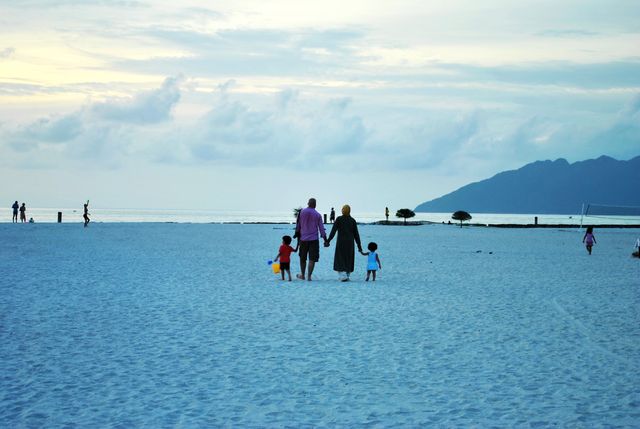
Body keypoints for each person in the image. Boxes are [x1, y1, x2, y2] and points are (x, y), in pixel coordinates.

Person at [326, 204, 363, 282]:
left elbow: (333, 231)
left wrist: (328, 240)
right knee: (348, 258)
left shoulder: (339, 219)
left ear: (342, 210)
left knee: (340, 257)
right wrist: (359, 246)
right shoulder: (352, 220)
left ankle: (343, 275)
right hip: (350, 243)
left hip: (341, 242)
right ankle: (347, 274)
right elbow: (356, 235)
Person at [295, 198, 327, 281]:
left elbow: (298, 225)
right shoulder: (318, 215)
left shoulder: (302, 212)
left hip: (303, 239)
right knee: (312, 259)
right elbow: (321, 229)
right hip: (314, 240)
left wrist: (296, 233)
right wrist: (325, 239)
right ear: (315, 205)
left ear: (308, 203)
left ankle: (302, 275)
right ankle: (309, 276)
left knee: (302, 258)